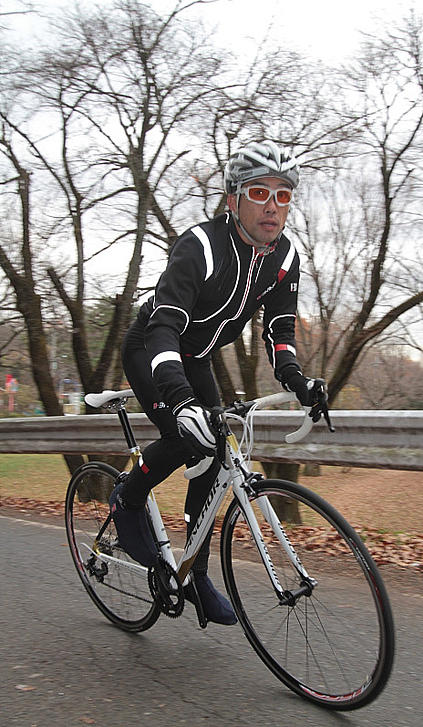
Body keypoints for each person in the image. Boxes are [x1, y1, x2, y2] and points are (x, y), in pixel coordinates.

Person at [110, 139, 328, 625]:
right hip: (153, 348)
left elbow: (280, 330)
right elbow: (164, 324)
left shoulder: (285, 257)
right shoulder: (201, 245)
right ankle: (128, 497)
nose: (272, 206)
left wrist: (298, 382)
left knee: (217, 453)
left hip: (199, 356)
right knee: (185, 435)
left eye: (283, 195)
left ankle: (196, 571)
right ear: (232, 199)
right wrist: (180, 398)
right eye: (258, 193)